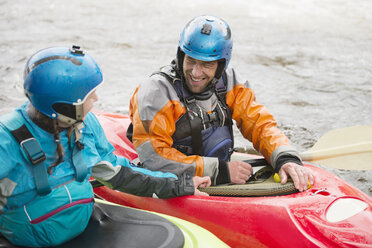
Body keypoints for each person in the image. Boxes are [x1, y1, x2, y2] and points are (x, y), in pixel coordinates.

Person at [0, 45, 211, 247]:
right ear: (64, 106)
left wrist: (179, 184)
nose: (96, 98)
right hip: (27, 236)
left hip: (80, 221)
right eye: (89, 95)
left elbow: (119, 172)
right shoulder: (6, 141)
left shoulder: (86, 125)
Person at [129, 15, 314, 191]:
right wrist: (221, 171)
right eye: (190, 61)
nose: (195, 72)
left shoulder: (231, 82)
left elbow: (260, 124)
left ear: (221, 64)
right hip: (177, 181)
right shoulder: (156, 92)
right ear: (181, 55)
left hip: (217, 171)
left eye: (207, 64)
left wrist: (285, 157)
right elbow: (154, 157)